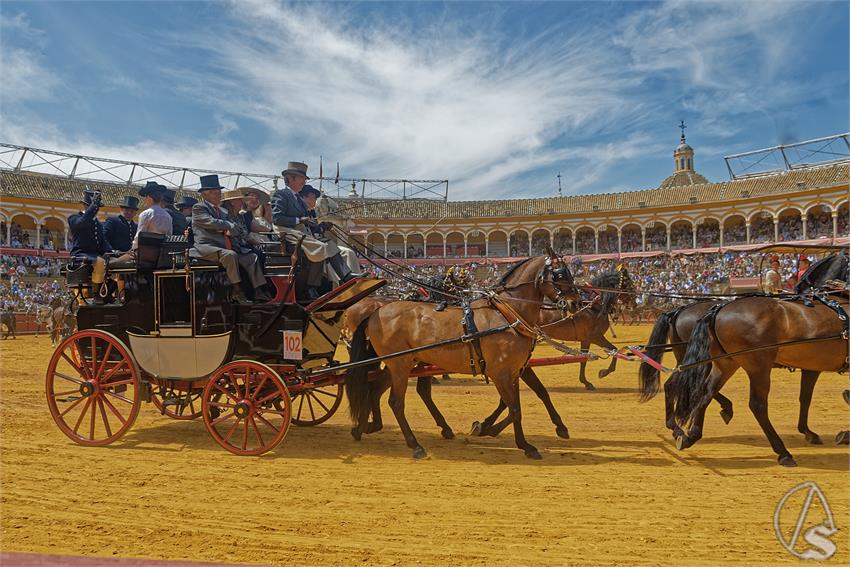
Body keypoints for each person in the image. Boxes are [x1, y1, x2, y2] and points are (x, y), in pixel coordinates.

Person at [271, 162, 362, 298]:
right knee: (321, 247)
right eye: (302, 178)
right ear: (291, 178)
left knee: (328, 243)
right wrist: (299, 220)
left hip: (301, 233)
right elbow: (277, 218)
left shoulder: (298, 199)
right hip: (288, 233)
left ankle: (345, 276)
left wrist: (321, 226)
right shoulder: (281, 195)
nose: (304, 182)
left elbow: (308, 222)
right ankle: (313, 286)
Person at [190, 175, 268, 304]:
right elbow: (211, 222)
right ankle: (237, 292)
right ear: (204, 195)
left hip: (225, 247)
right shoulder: (199, 208)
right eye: (215, 193)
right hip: (207, 247)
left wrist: (228, 228)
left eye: (219, 192)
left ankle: (258, 291)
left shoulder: (223, 211)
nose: (218, 195)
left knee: (252, 257)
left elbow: (235, 229)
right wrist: (228, 226)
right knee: (230, 255)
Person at [300, 185, 361, 284]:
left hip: (316, 243)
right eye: (314, 196)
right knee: (326, 248)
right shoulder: (299, 210)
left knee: (348, 252)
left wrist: (323, 226)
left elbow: (315, 229)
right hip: (307, 244)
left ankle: (352, 279)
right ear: (305, 197)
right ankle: (342, 279)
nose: (316, 199)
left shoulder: (312, 212)